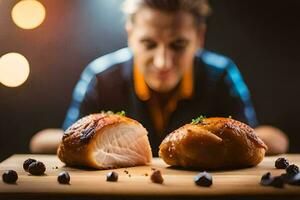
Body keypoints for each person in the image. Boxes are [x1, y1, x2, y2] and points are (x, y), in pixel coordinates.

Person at [30, 0, 289, 156]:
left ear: (199, 38)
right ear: (130, 35)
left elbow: (261, 141)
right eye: (149, 44)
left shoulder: (220, 74)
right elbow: (51, 142)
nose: (163, 61)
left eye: (178, 45)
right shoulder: (100, 77)